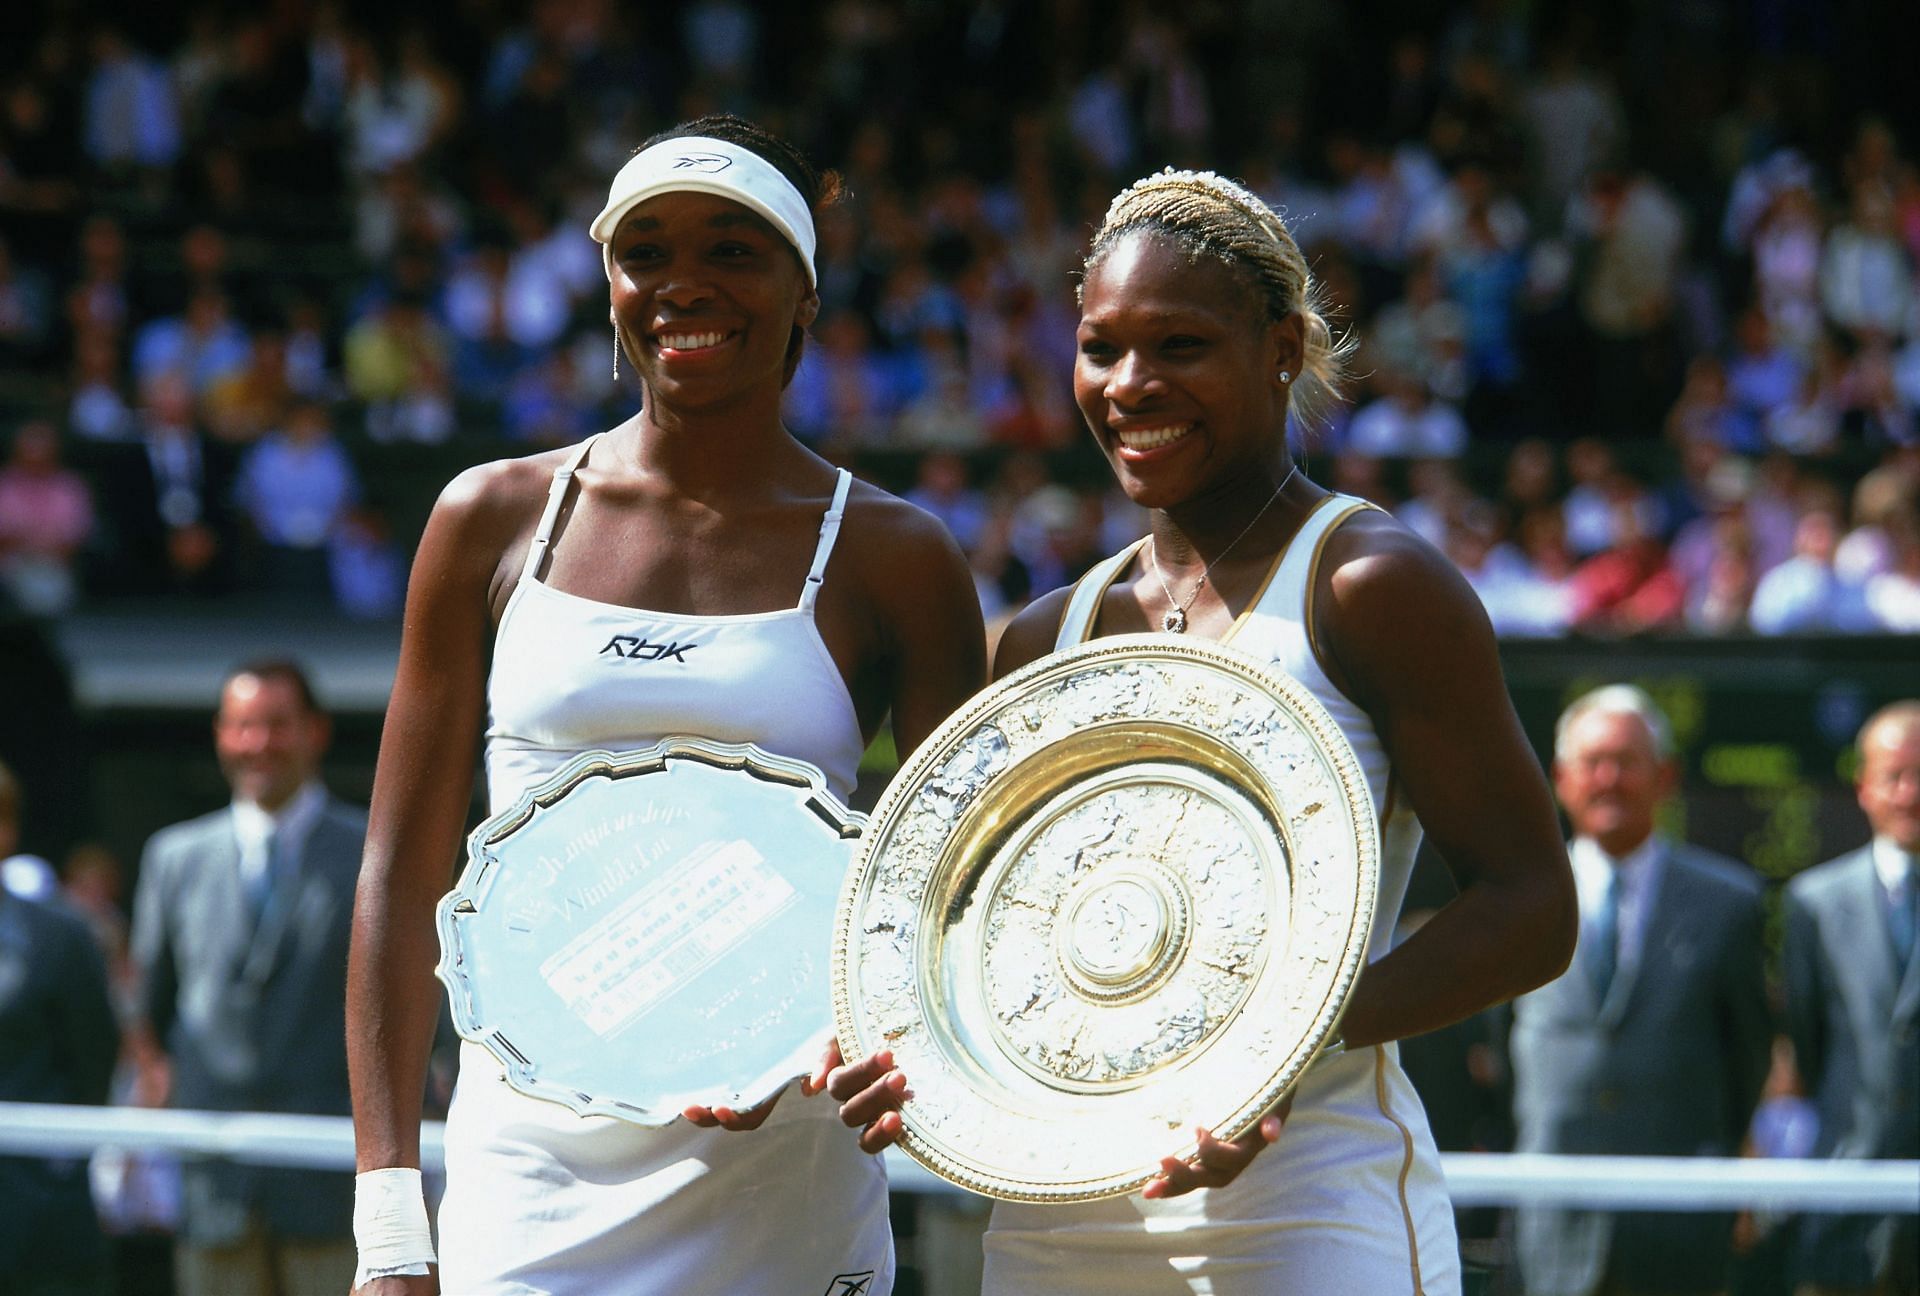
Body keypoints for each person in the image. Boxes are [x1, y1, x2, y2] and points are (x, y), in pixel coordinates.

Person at [833, 167, 1578, 1295]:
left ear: (1281, 347)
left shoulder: (1374, 586)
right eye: (1100, 348)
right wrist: (909, 1059)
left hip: (1309, 1214)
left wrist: (1269, 1060)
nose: (1129, 384)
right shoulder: (1045, 634)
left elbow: (1532, 911)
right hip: (1051, 1230)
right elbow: (980, 952)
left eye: (1179, 346)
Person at [345, 114, 985, 1296]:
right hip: (527, 1170)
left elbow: (962, 881)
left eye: (733, 250)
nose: (683, 284)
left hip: (788, 1175)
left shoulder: (901, 556)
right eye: (647, 253)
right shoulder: (487, 517)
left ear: (805, 293)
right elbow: (400, 867)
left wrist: (886, 1047)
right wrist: (390, 1221)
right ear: (608, 288)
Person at [1511, 684, 1772, 1296]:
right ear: (1561, 779)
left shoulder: (1728, 905)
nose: (1610, 779)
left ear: (1665, 776)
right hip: (1549, 1223)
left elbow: (1749, 1057)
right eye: (1593, 763)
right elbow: (1501, 1048)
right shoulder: (1516, 901)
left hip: (1678, 1227)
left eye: (1627, 762)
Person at [129, 660, 367, 1296]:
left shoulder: (373, 852)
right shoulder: (173, 858)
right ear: (219, 734)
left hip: (333, 1183)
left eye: (277, 725)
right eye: (242, 726)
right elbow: (146, 1012)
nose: (258, 743)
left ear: (316, 732)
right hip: (214, 1186)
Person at [1784, 701, 1920, 1296]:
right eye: (1895, 775)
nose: (1910, 793)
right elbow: (1809, 1046)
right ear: (1864, 788)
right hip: (1844, 1208)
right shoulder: (1812, 902)